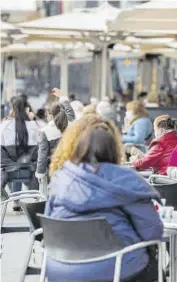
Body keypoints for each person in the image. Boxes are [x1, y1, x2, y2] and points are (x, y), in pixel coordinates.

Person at [45, 118, 163, 282]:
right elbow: (153, 232)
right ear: (115, 150)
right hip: (117, 267)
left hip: (61, 267)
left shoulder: (61, 179)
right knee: (151, 258)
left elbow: (50, 224)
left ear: (79, 149)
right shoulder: (128, 181)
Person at [0, 95, 40, 210]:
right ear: (26, 108)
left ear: (12, 108)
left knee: (12, 162)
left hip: (9, 173)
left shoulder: (4, 126)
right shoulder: (33, 126)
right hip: (31, 172)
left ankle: (14, 200)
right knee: (21, 161)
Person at [35, 89, 75, 182]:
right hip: (71, 166)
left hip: (54, 168)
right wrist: (61, 97)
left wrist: (39, 173)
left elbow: (42, 155)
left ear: (50, 115)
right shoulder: (71, 122)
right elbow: (69, 110)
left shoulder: (45, 131)